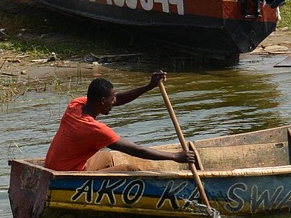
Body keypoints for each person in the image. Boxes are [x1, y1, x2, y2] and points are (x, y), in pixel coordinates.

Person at [43, 72, 198, 173]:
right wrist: (175, 156)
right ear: (102, 101)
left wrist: (149, 86)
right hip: (67, 175)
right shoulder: (95, 129)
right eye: (112, 100)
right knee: (130, 169)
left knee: (108, 158)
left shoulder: (75, 105)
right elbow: (137, 150)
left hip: (52, 168)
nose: (114, 102)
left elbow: (120, 99)